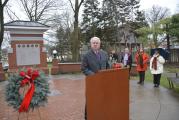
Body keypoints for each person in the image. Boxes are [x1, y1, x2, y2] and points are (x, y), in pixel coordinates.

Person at [81, 36, 109, 120]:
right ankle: (87, 117)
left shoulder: (104, 53)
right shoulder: (86, 55)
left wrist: (108, 73)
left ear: (100, 44)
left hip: (103, 81)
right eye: (94, 43)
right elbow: (83, 68)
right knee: (90, 100)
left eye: (97, 43)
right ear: (91, 44)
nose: (95, 44)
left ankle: (100, 114)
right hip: (92, 81)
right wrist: (93, 75)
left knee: (102, 98)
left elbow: (107, 65)